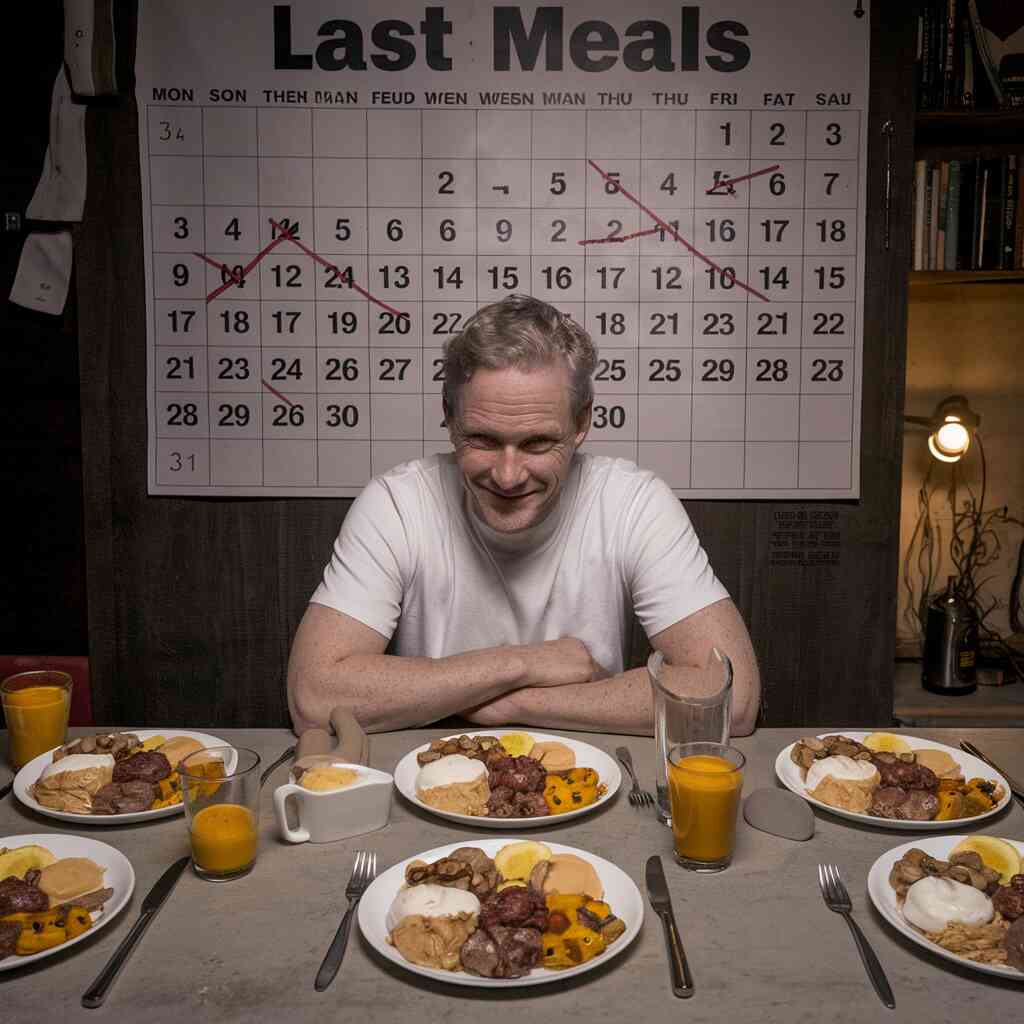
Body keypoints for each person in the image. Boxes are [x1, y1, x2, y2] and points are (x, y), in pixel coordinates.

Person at [287, 295, 760, 735]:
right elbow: (313, 695)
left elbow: (732, 696)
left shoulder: (634, 502)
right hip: (430, 777)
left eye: (536, 443)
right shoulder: (396, 503)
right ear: (449, 418)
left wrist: (515, 704)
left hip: (592, 778)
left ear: (581, 424)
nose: (509, 476)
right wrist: (522, 664)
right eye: (483, 440)